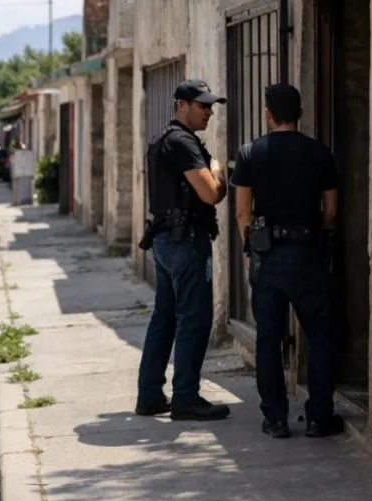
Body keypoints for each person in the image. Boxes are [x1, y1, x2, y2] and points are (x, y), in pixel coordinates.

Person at [229, 83, 345, 439]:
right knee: (320, 335)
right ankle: (319, 417)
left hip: (266, 256)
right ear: (300, 114)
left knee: (268, 338)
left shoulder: (250, 153)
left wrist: (250, 251)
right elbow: (331, 210)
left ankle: (275, 419)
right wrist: (315, 236)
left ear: (268, 114)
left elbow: (242, 212)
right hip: (307, 254)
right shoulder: (320, 153)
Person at [135, 79, 232, 421]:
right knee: (194, 319)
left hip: (167, 241)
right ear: (181, 105)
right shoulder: (181, 141)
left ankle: (149, 394)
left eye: (210, 106)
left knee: (164, 318)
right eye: (202, 106)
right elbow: (211, 194)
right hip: (186, 242)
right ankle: (186, 398)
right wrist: (218, 172)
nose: (209, 112)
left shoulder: (164, 139)